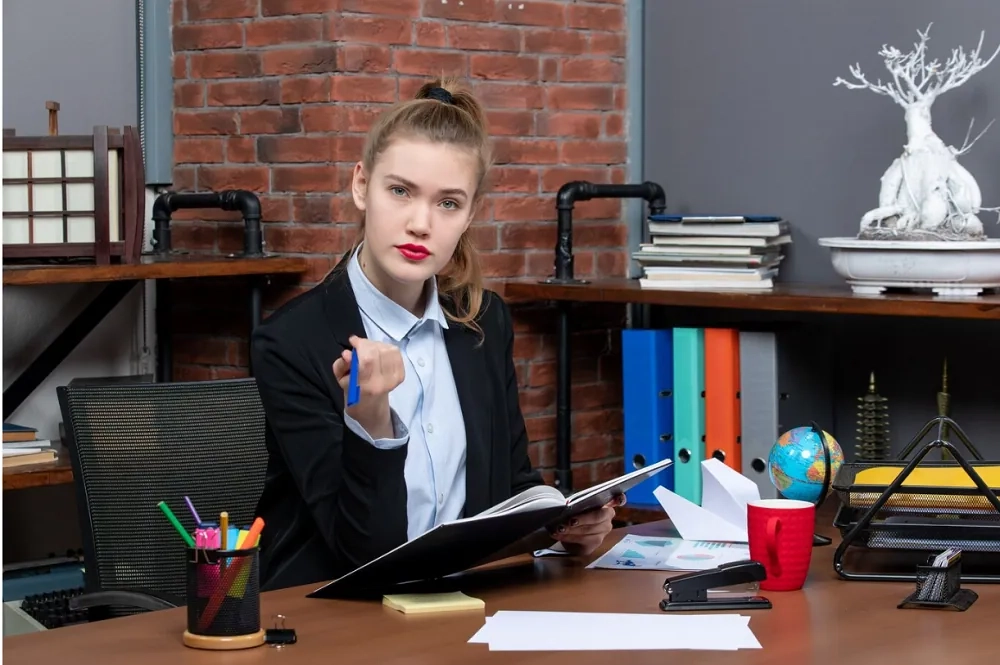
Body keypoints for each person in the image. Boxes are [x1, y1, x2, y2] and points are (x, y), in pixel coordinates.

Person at [250, 78, 623, 591]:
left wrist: (563, 527)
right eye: (400, 191)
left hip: (461, 604)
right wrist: (372, 424)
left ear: (469, 213)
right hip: (330, 617)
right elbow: (361, 554)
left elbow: (510, 488)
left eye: (448, 203)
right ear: (362, 185)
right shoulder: (292, 341)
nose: (420, 223)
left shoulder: (483, 321)